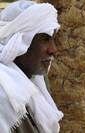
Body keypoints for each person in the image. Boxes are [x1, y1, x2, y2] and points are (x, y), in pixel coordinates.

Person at [0, 1, 63, 133]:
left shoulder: (38, 78)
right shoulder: (4, 91)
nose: (53, 50)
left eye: (54, 40)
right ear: (18, 42)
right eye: (44, 40)